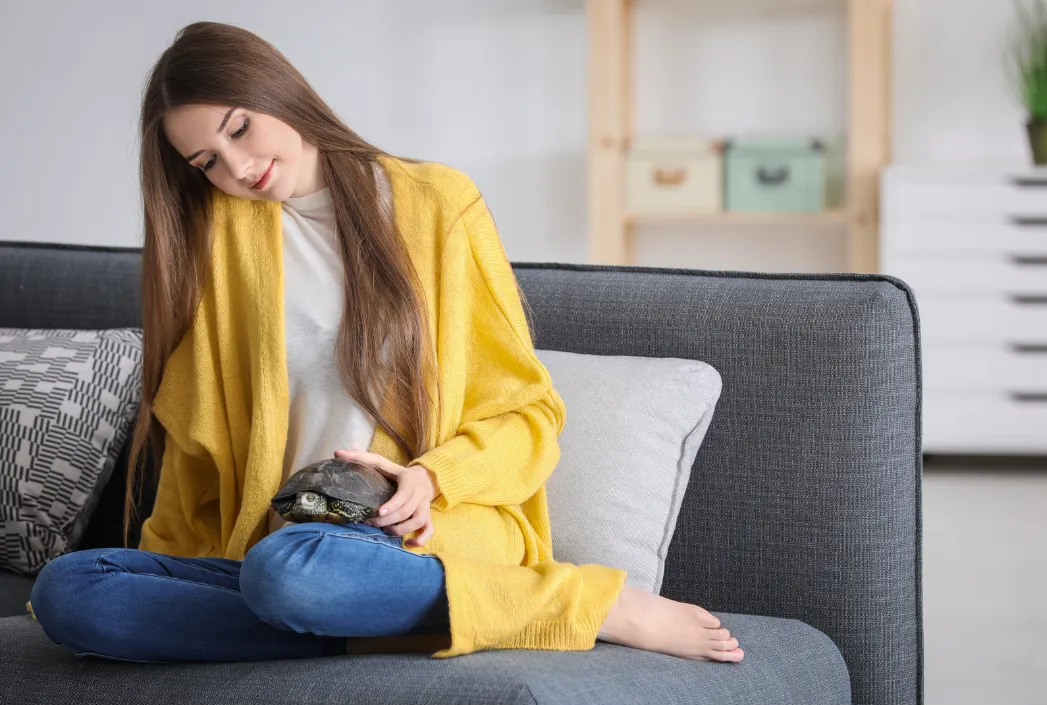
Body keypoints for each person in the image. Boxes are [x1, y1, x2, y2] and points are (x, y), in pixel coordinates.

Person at [27, 21, 743, 665]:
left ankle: (590, 605)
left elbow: (527, 416)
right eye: (207, 162)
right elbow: (196, 454)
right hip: (280, 547)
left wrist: (433, 478)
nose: (238, 170)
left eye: (240, 129)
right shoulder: (222, 249)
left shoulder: (434, 205)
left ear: (277, 91)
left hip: (408, 540)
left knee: (291, 574)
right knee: (72, 590)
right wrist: (158, 575)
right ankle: (352, 625)